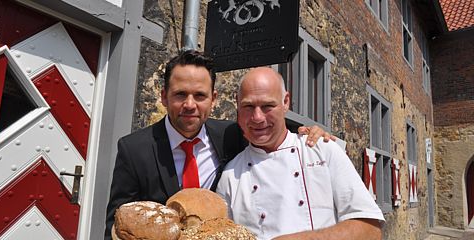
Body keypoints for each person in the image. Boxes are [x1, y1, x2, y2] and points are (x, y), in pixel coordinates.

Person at [104, 51, 332, 239]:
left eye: (200, 95)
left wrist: (306, 134)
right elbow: (117, 225)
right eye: (180, 94)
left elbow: (271, 136)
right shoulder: (134, 149)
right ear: (164, 97)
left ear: (213, 99)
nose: (190, 105)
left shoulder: (232, 135)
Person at [216, 67, 385, 240]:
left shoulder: (323, 150)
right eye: (248, 106)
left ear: (286, 102)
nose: (257, 117)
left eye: (268, 106)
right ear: (237, 104)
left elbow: (370, 229)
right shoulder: (230, 175)